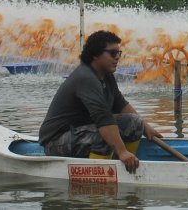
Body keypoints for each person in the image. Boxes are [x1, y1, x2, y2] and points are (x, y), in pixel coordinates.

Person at [38, 30, 166, 173]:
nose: (117, 57)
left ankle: (127, 168)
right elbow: (103, 118)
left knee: (135, 122)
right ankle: (102, 173)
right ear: (95, 54)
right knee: (104, 135)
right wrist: (122, 151)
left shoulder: (106, 75)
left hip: (82, 132)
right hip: (56, 142)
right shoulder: (85, 77)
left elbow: (121, 104)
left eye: (119, 53)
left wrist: (145, 127)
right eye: (112, 53)